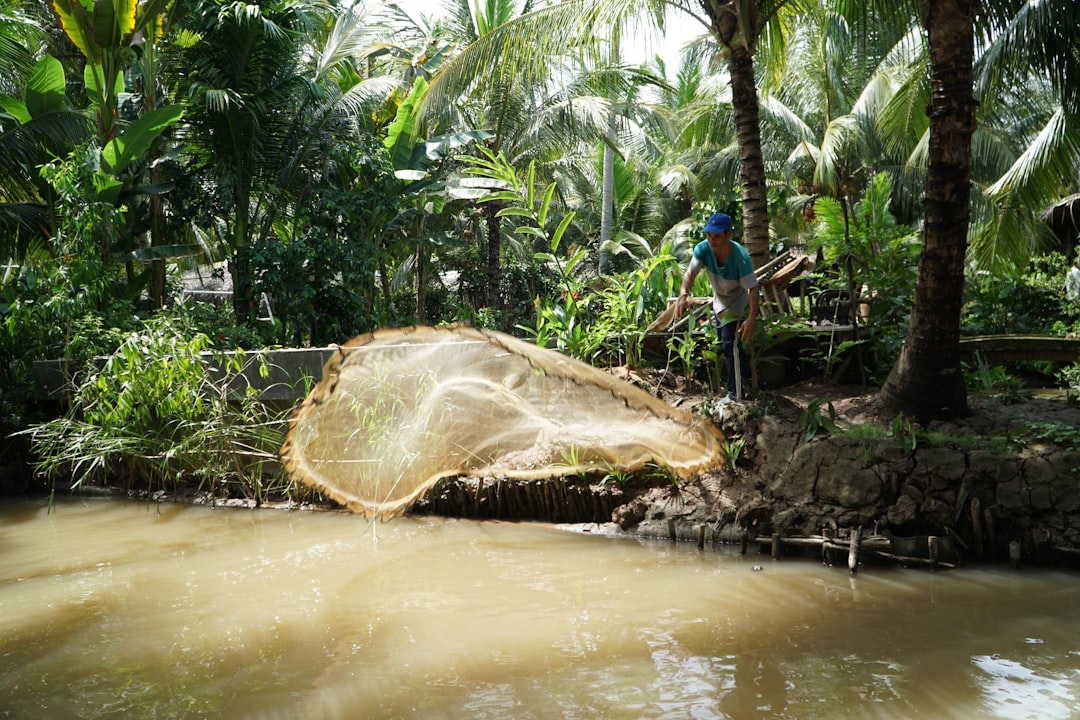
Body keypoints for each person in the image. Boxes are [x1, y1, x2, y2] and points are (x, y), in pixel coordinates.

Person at [675, 212, 760, 401]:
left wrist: (751, 318)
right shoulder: (703, 249)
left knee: (730, 344)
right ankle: (745, 378)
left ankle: (736, 394)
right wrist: (683, 295)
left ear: (729, 234)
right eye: (709, 236)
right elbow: (690, 273)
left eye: (717, 237)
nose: (712, 241)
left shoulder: (740, 257)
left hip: (738, 300)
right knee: (727, 343)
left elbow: (753, 289)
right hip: (720, 300)